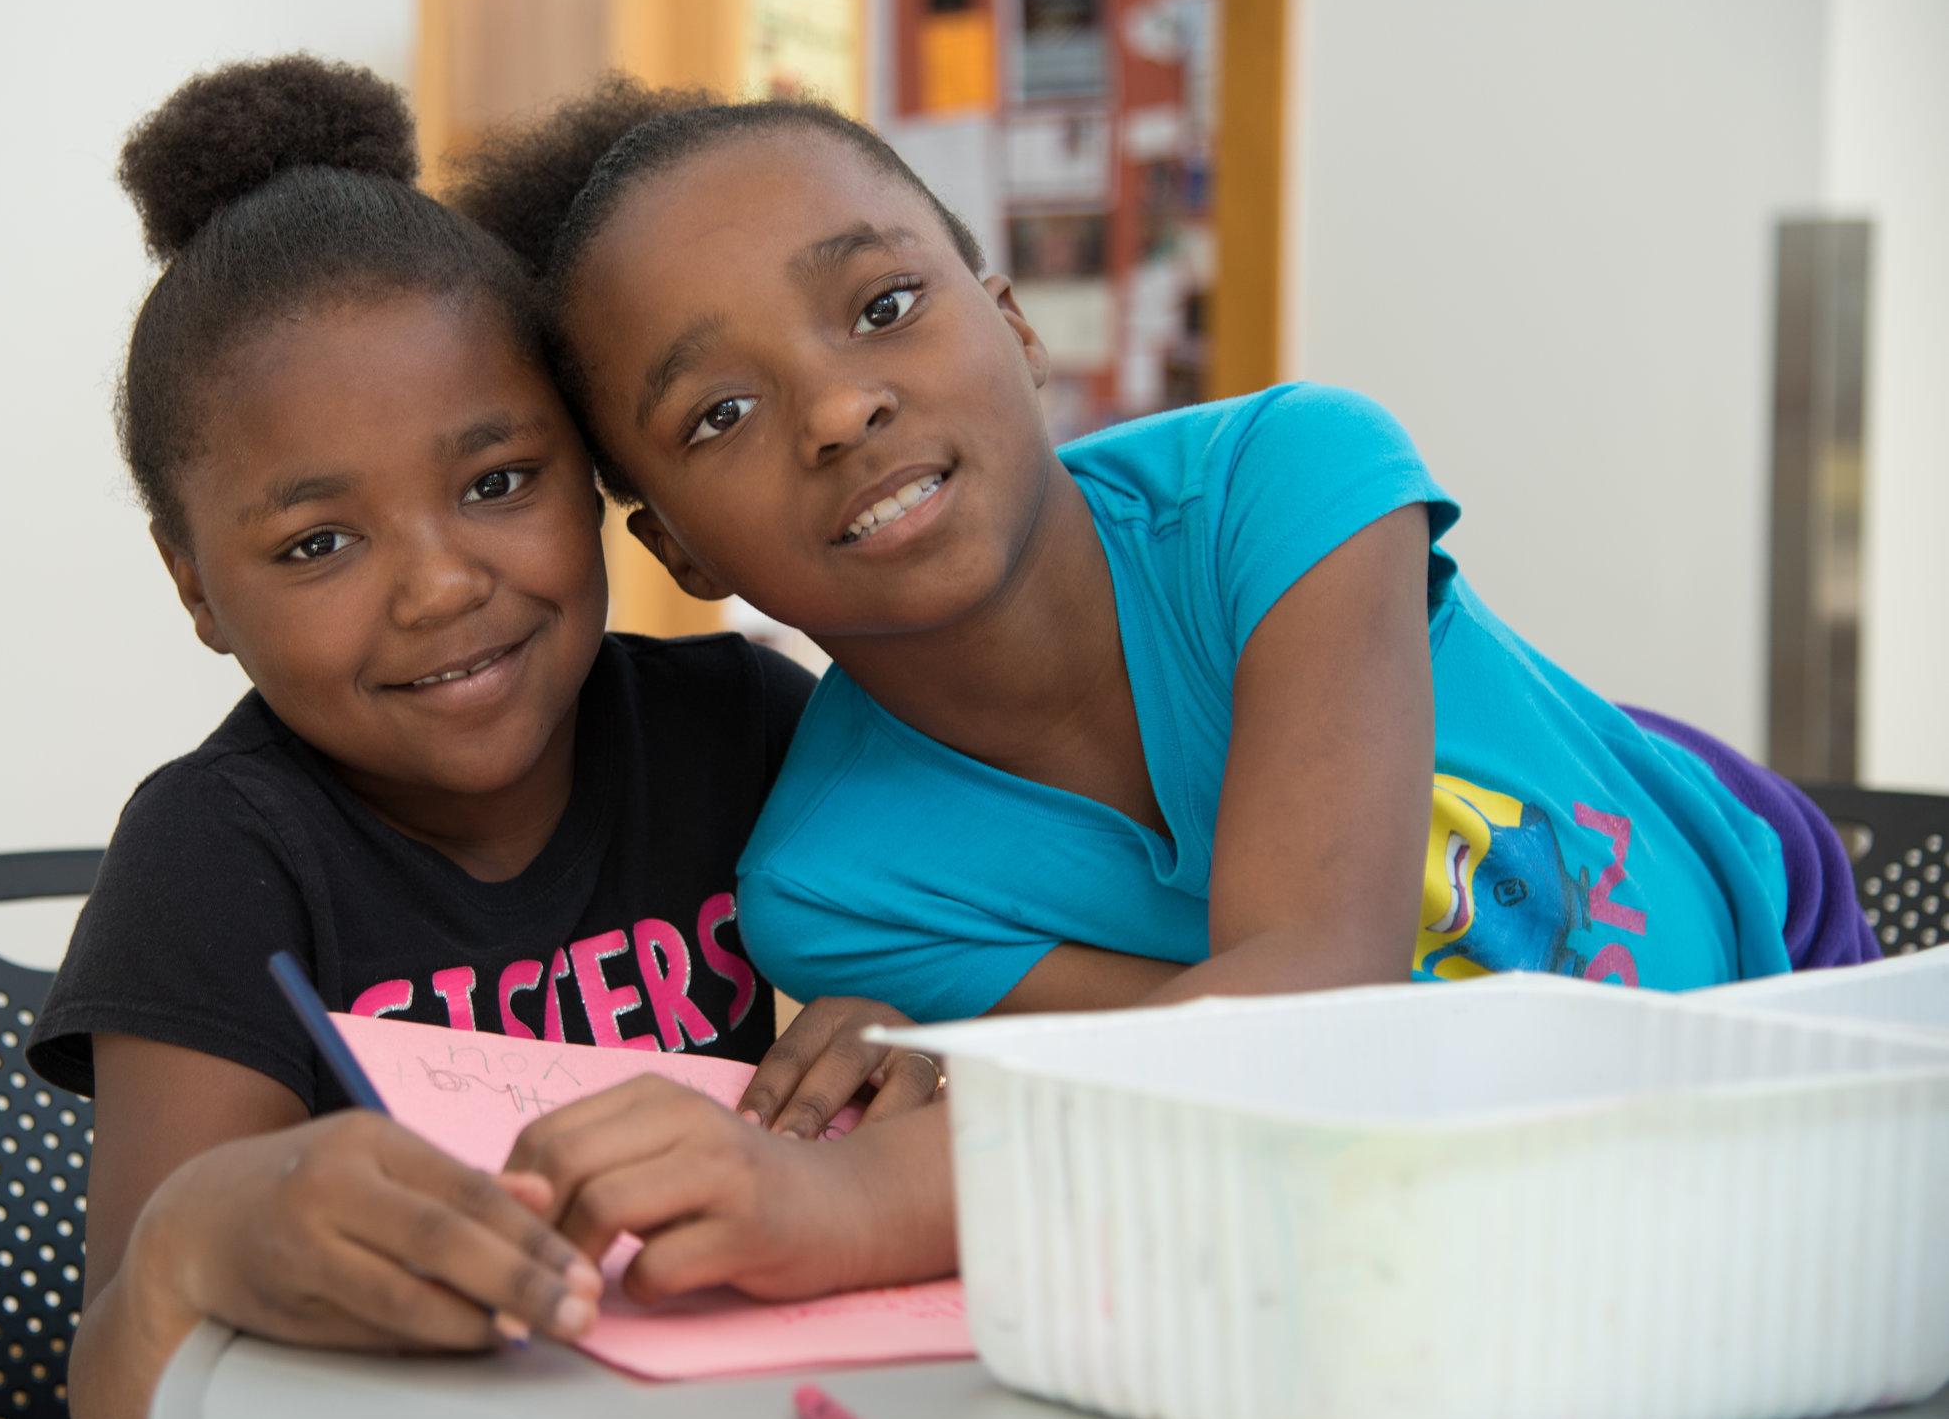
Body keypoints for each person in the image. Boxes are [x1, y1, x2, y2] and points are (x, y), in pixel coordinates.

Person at [447, 79, 1880, 1301]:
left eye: (883, 305)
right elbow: (1241, 1075)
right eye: (720, 414)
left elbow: (1315, 1006)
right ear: (678, 547)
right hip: (1485, 1229)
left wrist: (856, 1200)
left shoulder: (1289, 479)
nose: (836, 411)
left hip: (1788, 1022)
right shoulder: (836, 889)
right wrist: (979, 1065)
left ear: (1011, 324)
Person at [25, 60, 931, 1419]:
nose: (440, 586)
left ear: (597, 469)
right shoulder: (218, 854)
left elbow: (946, 1062)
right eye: (319, 541)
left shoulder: (744, 723)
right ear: (196, 586)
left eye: (498, 481)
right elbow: (119, 1392)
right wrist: (196, 1240)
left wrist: (911, 1045)